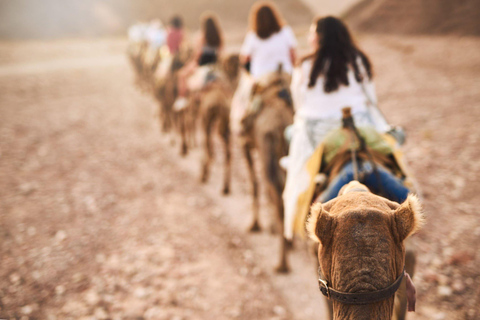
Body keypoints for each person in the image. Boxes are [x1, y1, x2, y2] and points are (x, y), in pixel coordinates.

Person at [283, 16, 407, 240]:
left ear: (319, 37)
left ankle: (308, 216)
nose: (310, 38)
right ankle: (408, 200)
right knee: (398, 156)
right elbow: (371, 101)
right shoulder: (359, 60)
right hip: (361, 130)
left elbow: (299, 107)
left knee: (294, 151)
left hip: (322, 135)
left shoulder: (304, 65)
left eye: (312, 33)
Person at [230, 2, 297, 132]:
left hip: (261, 80)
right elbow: (294, 56)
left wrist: (250, 72)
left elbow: (244, 59)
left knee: (244, 102)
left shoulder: (253, 36)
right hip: (285, 76)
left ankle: (244, 129)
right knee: (299, 101)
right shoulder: (286, 31)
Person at [173, 13, 223, 110]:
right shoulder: (219, 37)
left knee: (182, 75)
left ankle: (182, 99)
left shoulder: (201, 37)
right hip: (214, 66)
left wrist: (189, 64)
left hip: (202, 66)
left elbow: (197, 56)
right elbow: (220, 54)